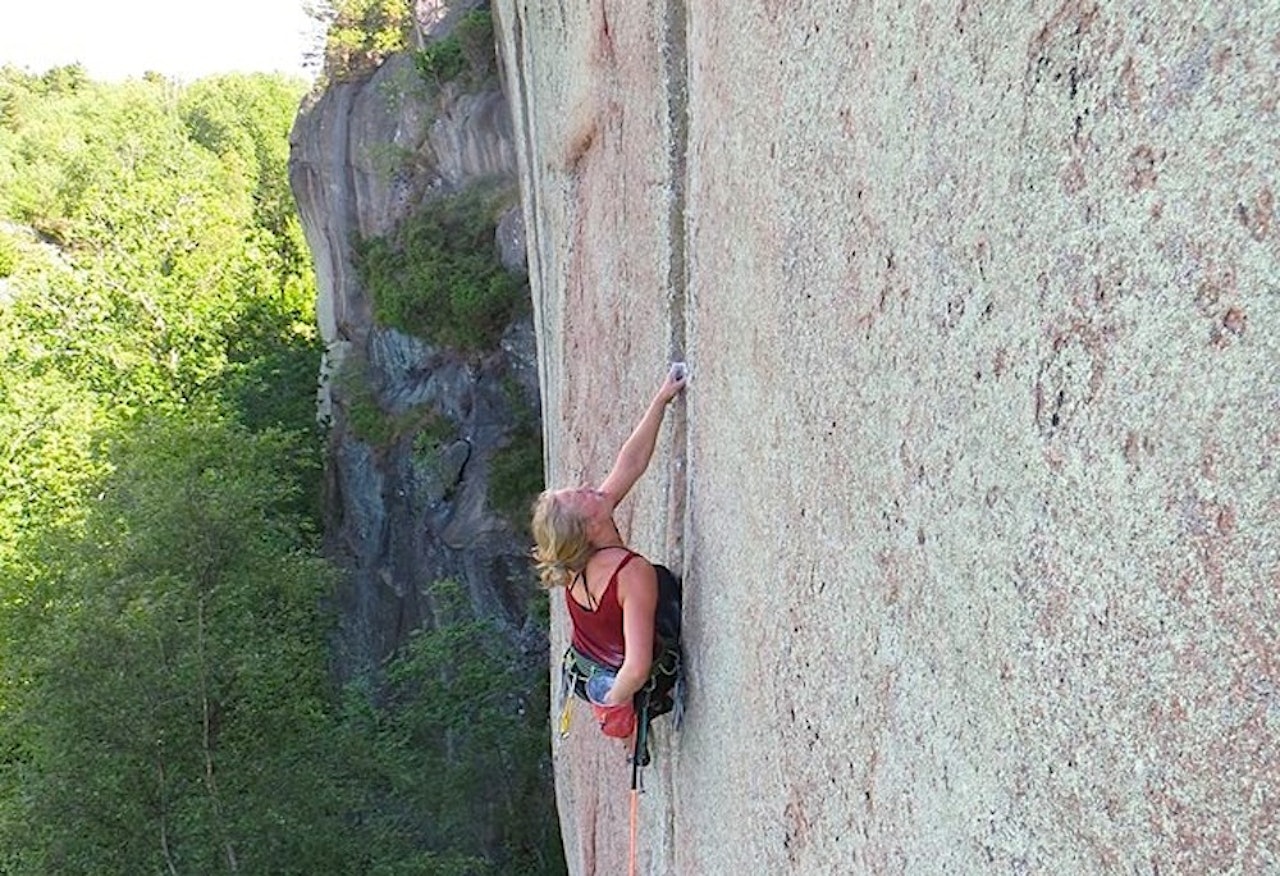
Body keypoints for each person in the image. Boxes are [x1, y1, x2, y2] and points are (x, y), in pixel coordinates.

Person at [531, 364, 687, 743]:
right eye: (580, 496)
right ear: (588, 527)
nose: (588, 487)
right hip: (627, 678)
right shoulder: (630, 573)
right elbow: (634, 667)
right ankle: (661, 698)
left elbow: (629, 464)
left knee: (657, 582)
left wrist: (661, 399)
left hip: (593, 664)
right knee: (662, 582)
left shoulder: (573, 560)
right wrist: (613, 705)